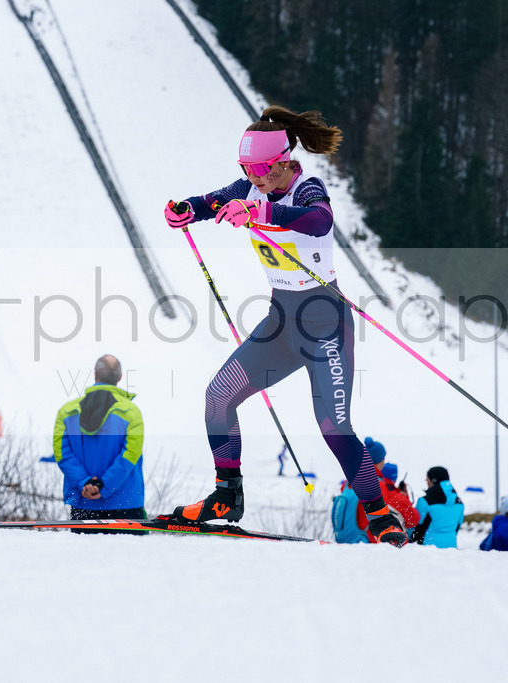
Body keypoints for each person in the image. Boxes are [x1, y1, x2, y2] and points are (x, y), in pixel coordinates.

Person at [163, 106, 406, 546]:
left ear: (282, 164)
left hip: (324, 325)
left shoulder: (307, 188)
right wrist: (184, 210)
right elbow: (208, 203)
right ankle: (226, 495)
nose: (251, 177)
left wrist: (261, 213)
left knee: (334, 426)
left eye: (258, 169)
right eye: (245, 168)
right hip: (280, 324)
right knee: (218, 396)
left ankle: (380, 513)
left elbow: (319, 222)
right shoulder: (249, 188)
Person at [53, 355, 145, 524]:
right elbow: (130, 454)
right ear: (119, 377)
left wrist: (85, 482)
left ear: (95, 375)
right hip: (125, 505)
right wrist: (104, 485)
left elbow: (62, 454)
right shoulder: (131, 413)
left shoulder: (67, 412)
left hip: (83, 506)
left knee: (83, 551)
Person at [362, 437, 419, 542]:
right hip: (377, 539)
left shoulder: (356, 479)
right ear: (380, 460)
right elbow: (381, 515)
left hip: (356, 537)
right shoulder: (378, 484)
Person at [410, 466, 464, 548]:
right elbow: (457, 526)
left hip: (427, 550)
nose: (426, 480)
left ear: (434, 480)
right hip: (452, 549)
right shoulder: (459, 502)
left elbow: (413, 526)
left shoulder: (424, 502)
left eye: (427, 478)